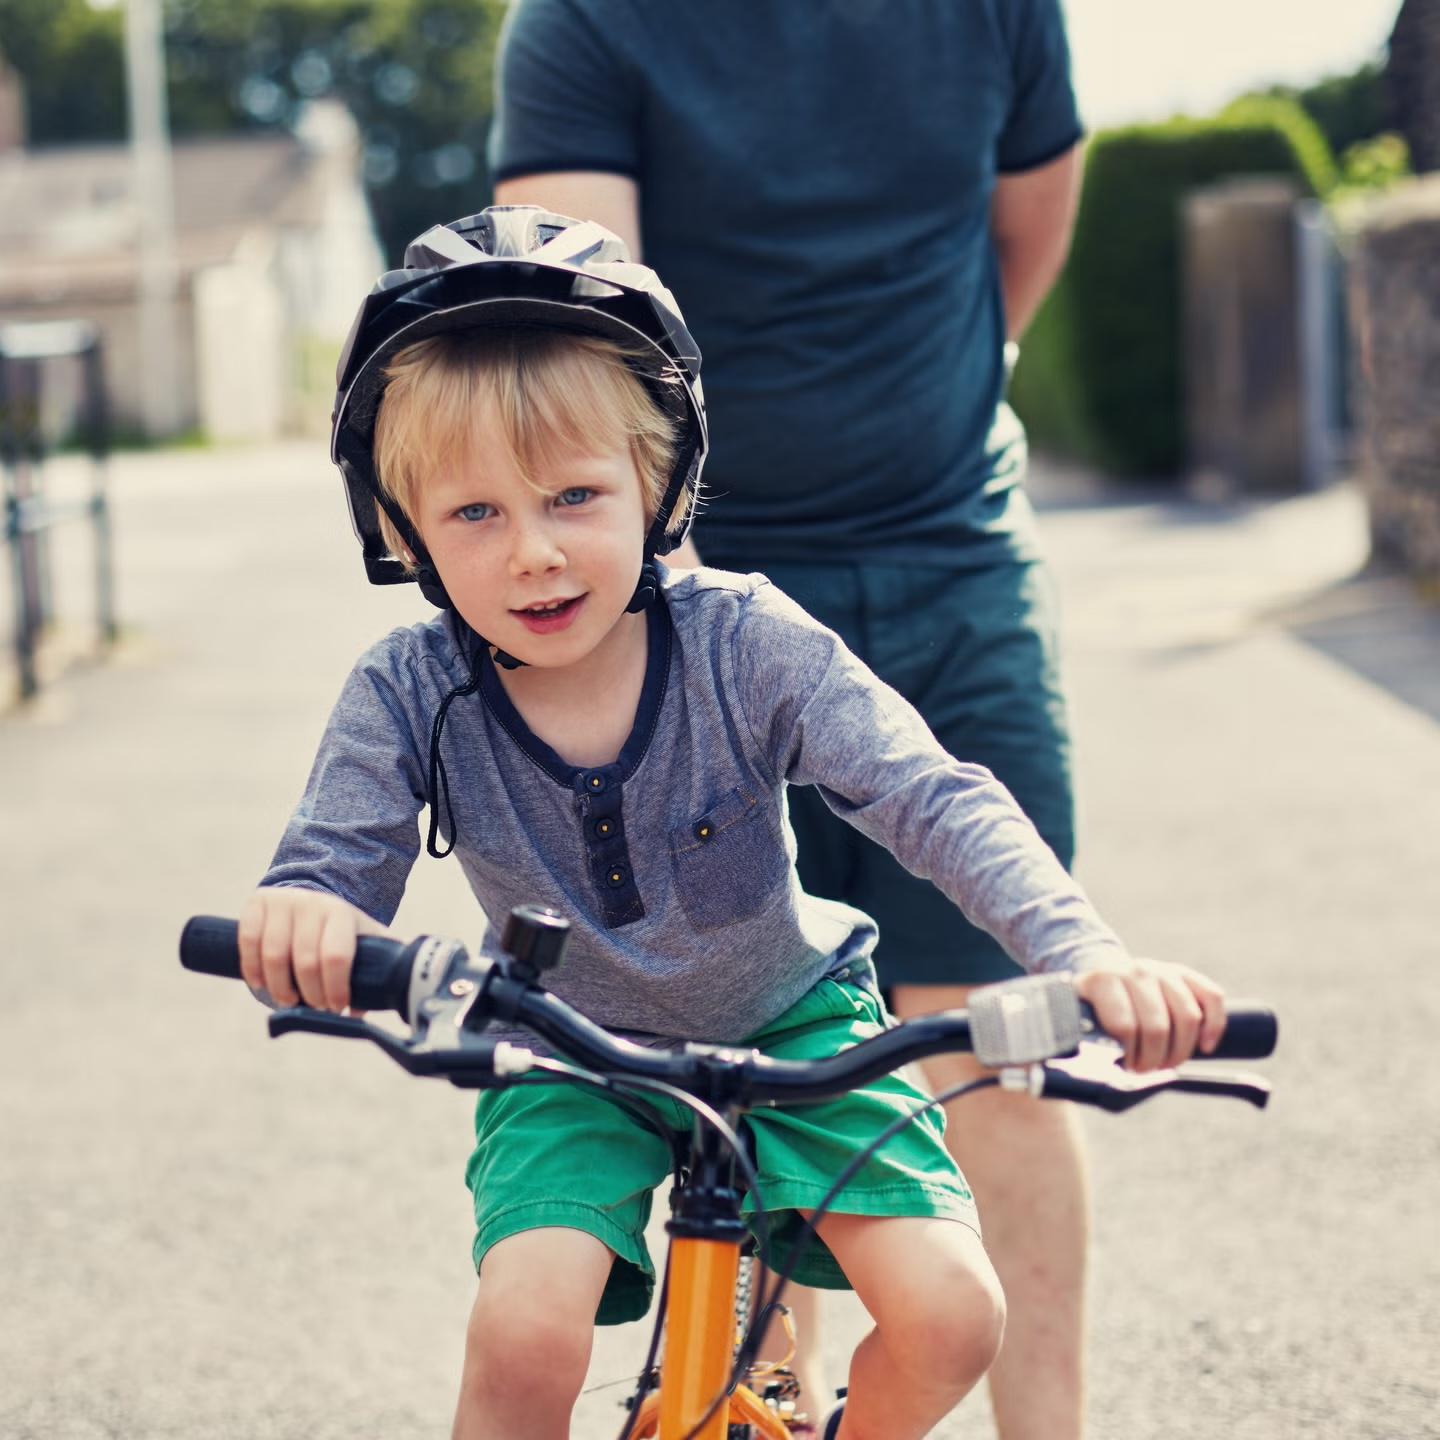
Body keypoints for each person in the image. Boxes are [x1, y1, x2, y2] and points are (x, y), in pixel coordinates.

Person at [237, 208, 1225, 1440]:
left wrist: (1086, 954)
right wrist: (310, 911)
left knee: (955, 1314)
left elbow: (930, 794)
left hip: (796, 1027)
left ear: (659, 482)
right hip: (563, 1051)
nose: (535, 553)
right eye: (474, 515)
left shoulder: (745, 644)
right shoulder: (410, 691)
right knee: (525, 1330)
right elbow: (334, 860)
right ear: (403, 532)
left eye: (574, 495)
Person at [488, 3, 1092, 1433]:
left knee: (994, 1025)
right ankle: (754, 1392)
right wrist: (670, 574)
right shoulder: (585, 22)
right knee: (741, 1020)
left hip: (956, 556)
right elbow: (588, 322)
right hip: (696, 591)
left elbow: (1026, 239)